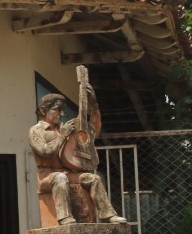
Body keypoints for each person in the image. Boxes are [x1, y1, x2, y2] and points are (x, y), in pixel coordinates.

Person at [29, 92, 127, 225]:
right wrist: (63, 136)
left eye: (63, 110)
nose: (62, 114)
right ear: (43, 110)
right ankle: (64, 218)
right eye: (58, 109)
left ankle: (107, 215)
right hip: (46, 175)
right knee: (60, 178)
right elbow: (44, 151)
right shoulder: (36, 131)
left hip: (66, 173)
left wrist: (93, 106)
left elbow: (92, 132)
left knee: (94, 178)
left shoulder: (65, 129)